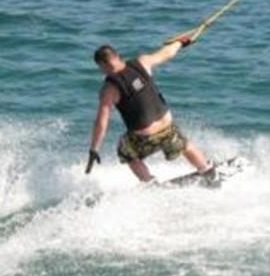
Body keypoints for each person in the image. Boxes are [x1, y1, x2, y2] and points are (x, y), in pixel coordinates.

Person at [85, 32, 215, 184]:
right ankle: (206, 170)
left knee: (125, 150)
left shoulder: (109, 89)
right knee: (184, 144)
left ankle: (149, 182)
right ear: (117, 56)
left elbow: (102, 122)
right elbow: (167, 53)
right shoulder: (142, 62)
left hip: (145, 137)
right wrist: (181, 42)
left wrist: (94, 149)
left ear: (102, 66)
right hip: (167, 127)